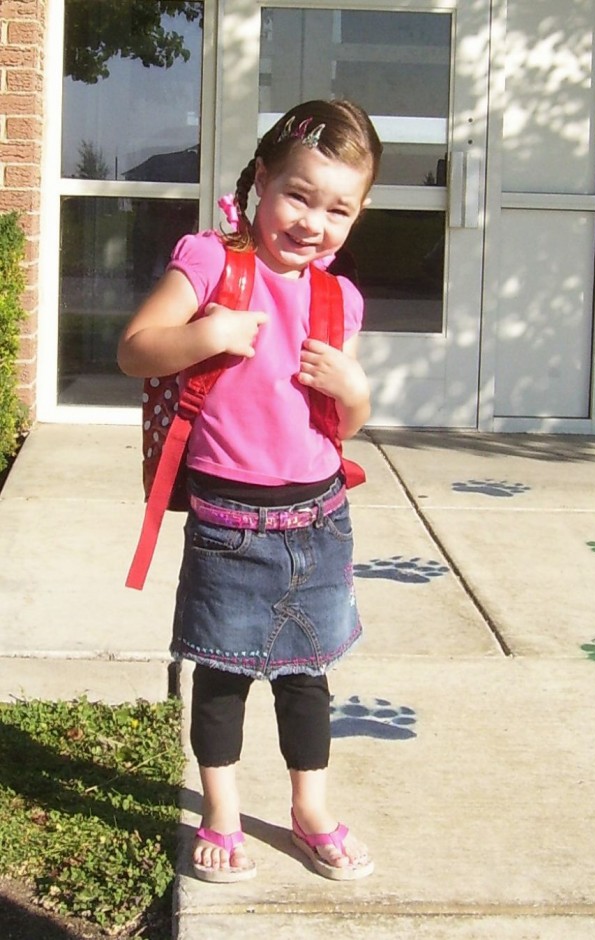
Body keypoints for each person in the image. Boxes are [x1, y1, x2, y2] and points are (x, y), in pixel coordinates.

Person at [117, 99, 382, 883]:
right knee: (224, 675)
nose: (312, 222)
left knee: (308, 676)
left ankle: (310, 809)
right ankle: (223, 813)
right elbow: (137, 348)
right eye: (298, 195)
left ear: (358, 213)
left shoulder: (340, 299)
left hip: (319, 518)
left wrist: (356, 390)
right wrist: (208, 334)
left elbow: (345, 424)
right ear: (261, 180)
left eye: (339, 208)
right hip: (230, 521)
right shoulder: (210, 260)